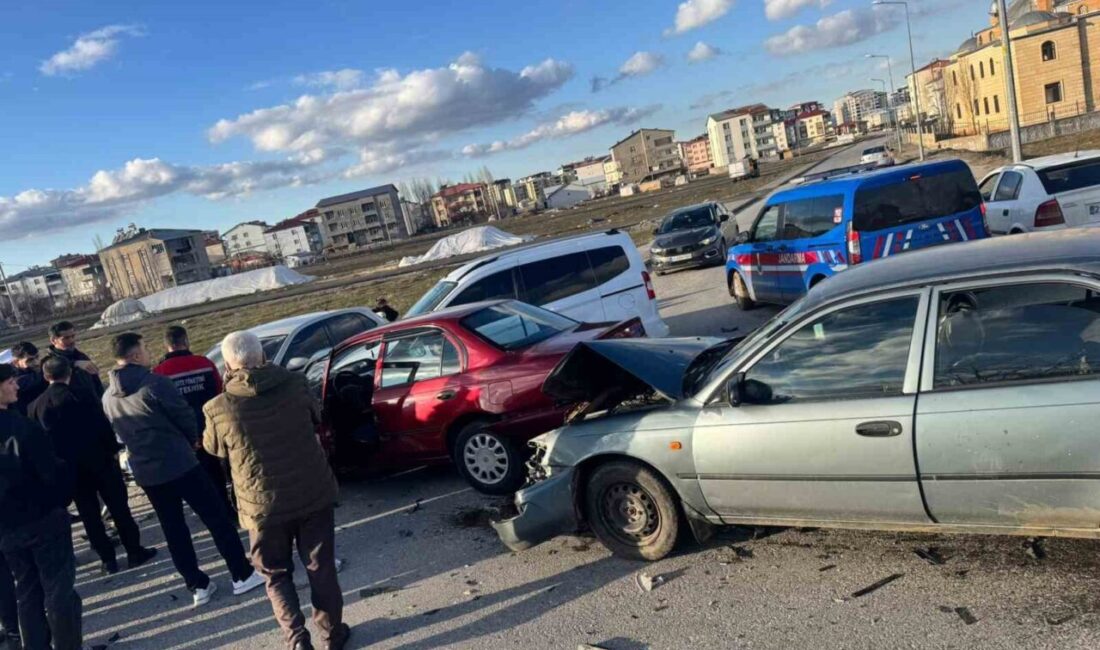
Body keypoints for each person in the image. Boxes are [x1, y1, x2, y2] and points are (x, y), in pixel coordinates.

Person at [204, 331, 348, 650]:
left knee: (275, 575)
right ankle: (333, 634)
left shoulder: (218, 408)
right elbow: (317, 416)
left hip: (261, 507)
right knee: (320, 568)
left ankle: (297, 640)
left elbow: (214, 449)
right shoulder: (296, 384)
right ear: (264, 357)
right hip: (312, 494)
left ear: (227, 365)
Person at [101, 333, 264, 608]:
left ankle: (197, 584)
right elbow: (184, 415)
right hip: (180, 463)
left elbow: (118, 431)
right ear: (135, 355)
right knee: (216, 518)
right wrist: (193, 439)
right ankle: (241, 573)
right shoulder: (154, 384)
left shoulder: (108, 397)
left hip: (147, 471)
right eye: (144, 347)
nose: (148, 351)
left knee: (174, 529)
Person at [29, 355, 157, 576]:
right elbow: (102, 426)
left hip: (71, 469)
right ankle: (134, 551)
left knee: (89, 515)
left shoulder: (36, 406)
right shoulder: (83, 395)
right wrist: (112, 450)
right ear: (69, 373)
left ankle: (107, 559)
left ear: (45, 376)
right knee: (119, 509)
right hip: (101, 462)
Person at [0, 364, 82, 650]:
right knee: (58, 590)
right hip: (41, 519)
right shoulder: (22, 428)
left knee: (27, 591)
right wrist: (61, 499)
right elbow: (50, 474)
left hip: (7, 529)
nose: (17, 387)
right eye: (11, 382)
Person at [153, 326, 234, 514]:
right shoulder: (204, 363)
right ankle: (226, 509)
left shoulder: (159, 372)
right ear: (186, 341)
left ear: (167, 346)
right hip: (211, 428)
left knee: (195, 477)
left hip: (182, 435)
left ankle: (209, 511)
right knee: (217, 472)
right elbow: (220, 392)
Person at [45, 322, 104, 404]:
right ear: (53, 340)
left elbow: (96, 382)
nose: (71, 341)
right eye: (66, 338)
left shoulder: (81, 356)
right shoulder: (48, 363)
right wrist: (74, 364)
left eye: (73, 336)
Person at [11, 342, 46, 417]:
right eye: (30, 360)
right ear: (16, 362)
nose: (36, 362)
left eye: (37, 357)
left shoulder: (35, 370)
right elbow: (22, 382)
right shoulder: (10, 377)